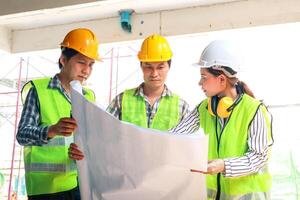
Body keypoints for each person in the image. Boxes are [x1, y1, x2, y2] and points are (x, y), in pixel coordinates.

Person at [171, 40, 274, 199]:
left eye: (204, 77)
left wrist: (224, 165)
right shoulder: (205, 108)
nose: (200, 83)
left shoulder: (254, 110)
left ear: (221, 79)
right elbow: (176, 135)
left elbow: (258, 157)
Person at [69, 34, 189, 160]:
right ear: (141, 66)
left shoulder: (181, 107)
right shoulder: (121, 101)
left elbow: (188, 149)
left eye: (160, 67)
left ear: (169, 67)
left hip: (166, 177)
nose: (154, 73)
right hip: (129, 176)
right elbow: (103, 137)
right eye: (148, 67)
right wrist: (82, 148)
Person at [16, 28, 101, 200]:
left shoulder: (89, 96)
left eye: (91, 64)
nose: (86, 70)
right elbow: (22, 135)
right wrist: (51, 130)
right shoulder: (39, 91)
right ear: (63, 60)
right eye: (81, 62)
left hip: (81, 184)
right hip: (46, 190)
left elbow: (93, 140)